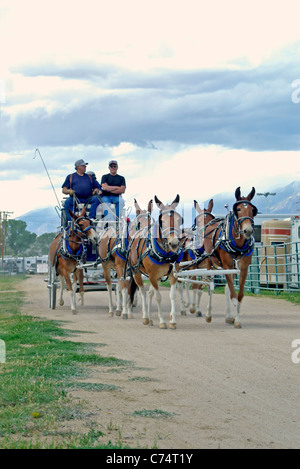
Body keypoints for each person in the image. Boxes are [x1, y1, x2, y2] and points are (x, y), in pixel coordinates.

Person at [62, 159, 102, 224]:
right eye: (83, 166)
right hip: (75, 198)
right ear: (78, 167)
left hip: (88, 198)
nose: (85, 167)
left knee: (96, 199)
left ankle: (91, 218)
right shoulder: (70, 177)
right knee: (67, 202)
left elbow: (97, 187)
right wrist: (69, 191)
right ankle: (70, 220)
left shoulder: (89, 177)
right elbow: (64, 189)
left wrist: (96, 190)